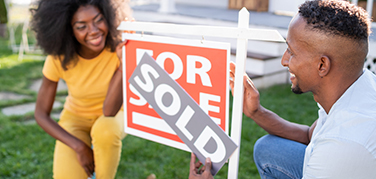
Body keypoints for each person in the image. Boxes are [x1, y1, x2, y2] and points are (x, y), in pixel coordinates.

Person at [190, 0, 376, 178]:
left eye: (292, 52)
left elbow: (334, 145)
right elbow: (309, 135)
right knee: (268, 149)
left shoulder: (342, 146)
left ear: (322, 65)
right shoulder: (357, 84)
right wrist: (256, 112)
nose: (284, 60)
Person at [32, 0, 128, 178]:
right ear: (68, 30)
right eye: (81, 26)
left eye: (99, 20)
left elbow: (109, 111)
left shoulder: (120, 47)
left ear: (108, 17)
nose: (93, 30)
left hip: (115, 114)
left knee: (105, 129)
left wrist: (124, 65)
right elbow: (41, 113)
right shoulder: (58, 58)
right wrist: (79, 146)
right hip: (76, 118)